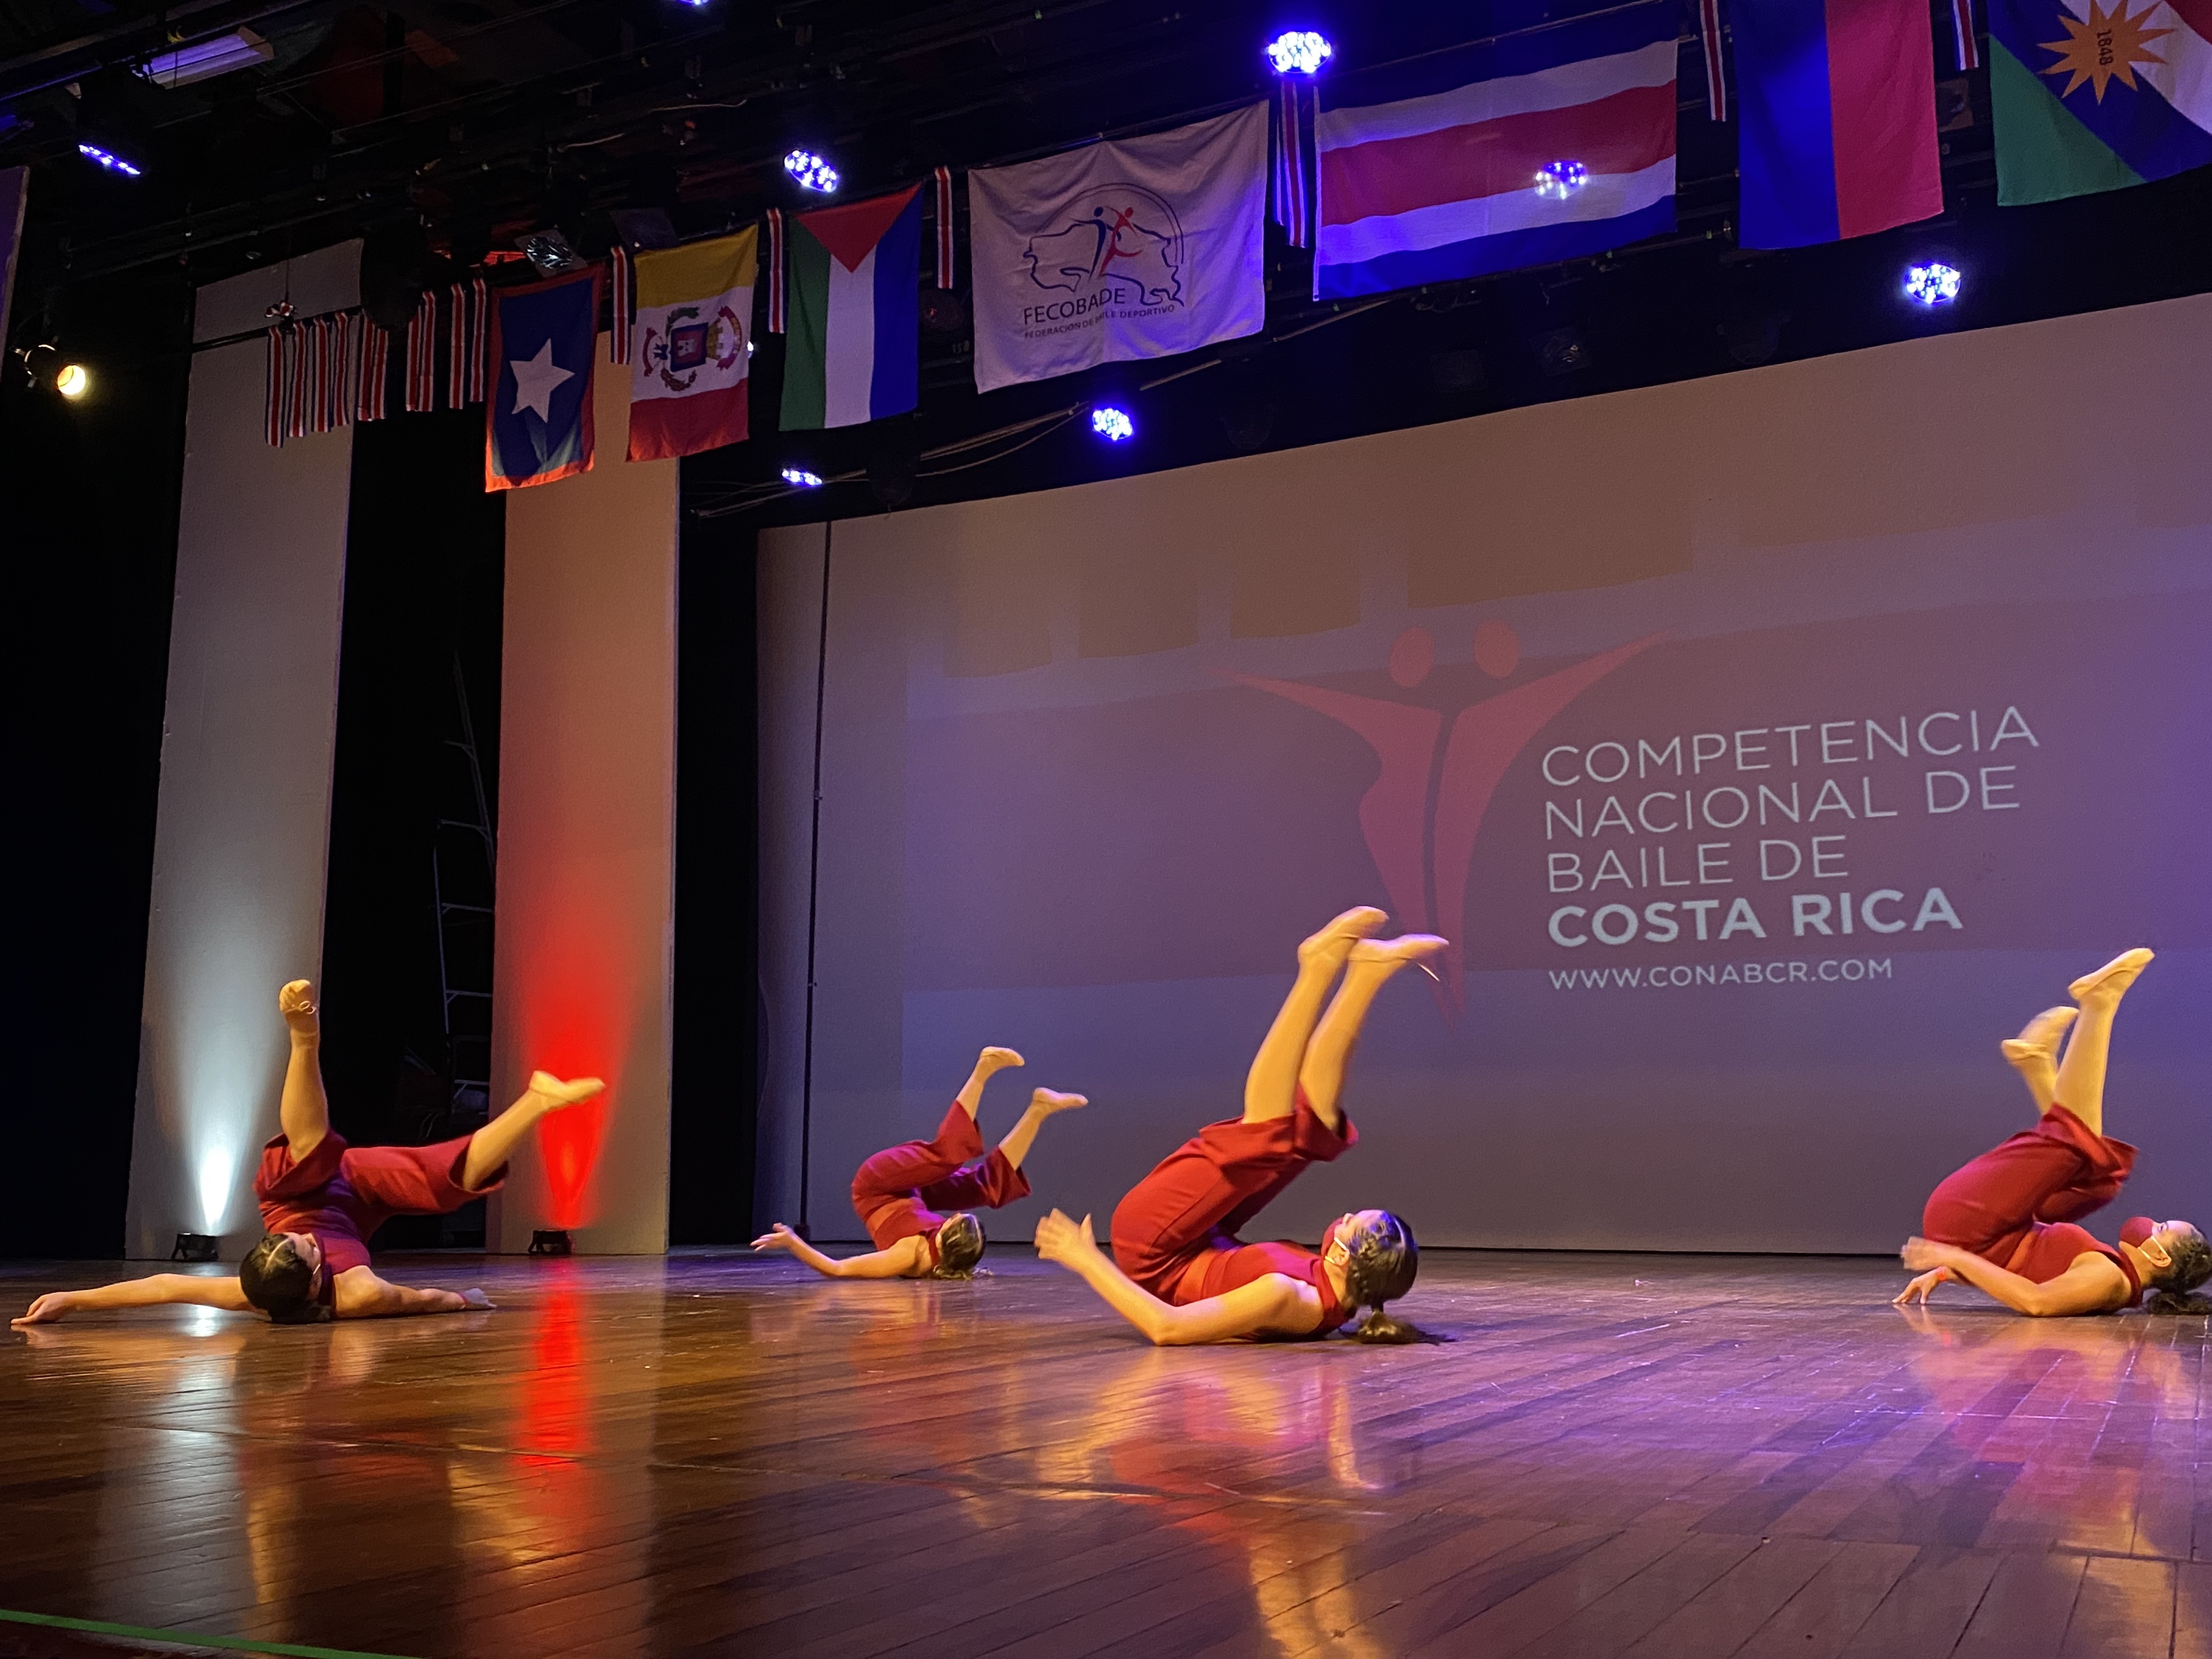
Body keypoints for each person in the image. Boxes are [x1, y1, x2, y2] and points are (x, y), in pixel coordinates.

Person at [12, 979, 603, 1327]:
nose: (302, 1238)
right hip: (357, 1201)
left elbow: (163, 1287)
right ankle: (536, 1100)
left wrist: (74, 1299)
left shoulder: (253, 1284)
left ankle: (303, 1041)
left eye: (283, 1241)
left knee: (309, 1153)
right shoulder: (359, 1294)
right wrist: (464, 1304)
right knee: (443, 1183)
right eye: (303, 1247)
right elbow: (420, 1300)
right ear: (318, 1274)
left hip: (296, 1190)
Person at [1035, 906, 1442, 1344]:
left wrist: (1085, 1259)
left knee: (1264, 1135)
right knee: (1314, 1133)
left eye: (1350, 1222)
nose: (1341, 1218)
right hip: (1204, 1238)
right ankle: (1366, 975)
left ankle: (1317, 968)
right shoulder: (1330, 1295)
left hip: (1153, 1248)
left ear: (1344, 1256)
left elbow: (1166, 1328)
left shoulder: (1288, 1297)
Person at [1896, 948, 2212, 1317]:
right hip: (1990, 1233)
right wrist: (1950, 1271)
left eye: (2161, 1227)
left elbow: (2037, 1302)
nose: (2151, 1222)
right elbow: (2015, 1266)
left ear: (2159, 1256)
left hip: (1970, 1226)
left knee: (2074, 1143)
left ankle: (2099, 1005)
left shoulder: (2110, 1280)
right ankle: (2037, 1062)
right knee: (2102, 1178)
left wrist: (1954, 1257)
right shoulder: (2112, 1273)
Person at [752, 1046, 1086, 1278]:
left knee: (947, 1158)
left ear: (944, 1236)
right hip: (914, 1195)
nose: (952, 1215)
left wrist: (793, 1242)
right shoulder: (948, 1257)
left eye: (952, 1221)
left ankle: (983, 1070)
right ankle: (1039, 1110)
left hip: (876, 1187)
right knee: (986, 1188)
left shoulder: (908, 1254)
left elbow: (838, 1269)